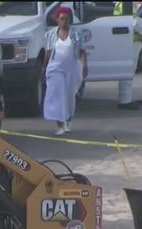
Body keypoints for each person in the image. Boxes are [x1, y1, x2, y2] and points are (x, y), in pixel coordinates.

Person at [42, 6, 87, 136]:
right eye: (62, 19)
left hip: (72, 67)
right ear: (57, 20)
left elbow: (83, 51)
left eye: (67, 19)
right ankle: (60, 125)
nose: (64, 22)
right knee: (57, 95)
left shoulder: (76, 34)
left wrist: (84, 66)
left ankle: (68, 121)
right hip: (56, 68)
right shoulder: (51, 34)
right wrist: (44, 68)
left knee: (69, 96)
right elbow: (48, 52)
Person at [114, 1, 142, 110]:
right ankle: (125, 101)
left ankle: (124, 98)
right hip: (131, 41)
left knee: (126, 73)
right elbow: (134, 22)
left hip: (127, 41)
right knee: (128, 72)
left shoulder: (121, 4)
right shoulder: (126, 4)